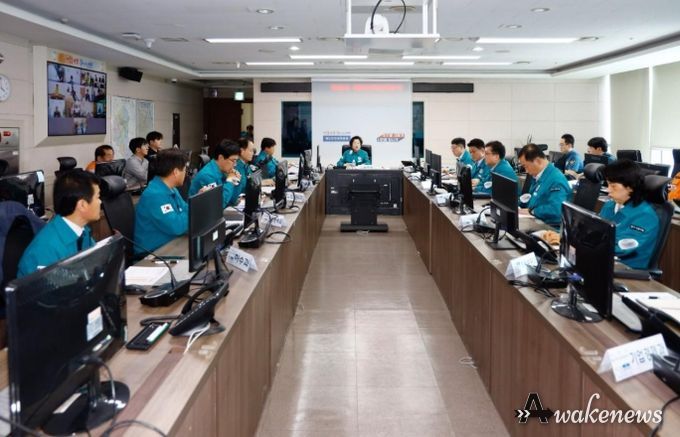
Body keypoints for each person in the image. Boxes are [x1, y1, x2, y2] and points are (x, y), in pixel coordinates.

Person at [18, 170, 101, 277]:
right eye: (98, 197)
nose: (100, 202)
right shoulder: (45, 250)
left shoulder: (82, 231)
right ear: (82, 205)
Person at [600, 160, 660, 269]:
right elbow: (596, 229)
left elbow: (622, 247)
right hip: (604, 261)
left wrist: (588, 244)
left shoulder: (646, 216)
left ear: (630, 187)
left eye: (613, 186)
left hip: (627, 269)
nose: (608, 190)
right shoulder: (609, 205)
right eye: (608, 184)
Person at [134, 149, 190, 254]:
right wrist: (194, 208)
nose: (186, 173)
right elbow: (177, 226)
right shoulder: (154, 195)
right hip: (152, 253)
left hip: (170, 243)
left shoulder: (171, 188)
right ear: (176, 172)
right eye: (184, 170)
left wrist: (195, 204)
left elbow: (184, 209)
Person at [518, 143, 572, 227]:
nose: (526, 171)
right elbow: (532, 200)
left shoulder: (556, 180)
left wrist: (532, 211)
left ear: (538, 161)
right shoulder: (539, 176)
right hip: (535, 222)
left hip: (549, 228)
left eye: (526, 166)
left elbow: (556, 211)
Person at [189, 139, 242, 208]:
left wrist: (236, 182)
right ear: (221, 158)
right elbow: (219, 204)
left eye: (236, 161)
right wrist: (230, 182)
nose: (235, 165)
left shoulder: (223, 171)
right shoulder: (207, 176)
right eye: (233, 161)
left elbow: (232, 201)